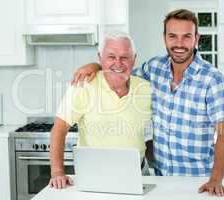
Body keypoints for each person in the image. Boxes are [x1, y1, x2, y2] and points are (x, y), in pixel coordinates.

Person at [71, 9, 224, 196]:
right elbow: (121, 71)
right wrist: (96, 66)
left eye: (186, 36)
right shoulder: (154, 68)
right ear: (164, 37)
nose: (179, 44)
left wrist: (216, 179)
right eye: (172, 36)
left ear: (196, 38)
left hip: (197, 182)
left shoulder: (212, 79)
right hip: (160, 181)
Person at [49, 31, 152, 189]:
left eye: (124, 57)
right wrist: (57, 172)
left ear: (134, 59)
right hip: (94, 175)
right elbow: (59, 128)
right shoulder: (84, 86)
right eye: (111, 57)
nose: (118, 63)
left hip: (139, 174)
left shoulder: (145, 88)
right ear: (100, 58)